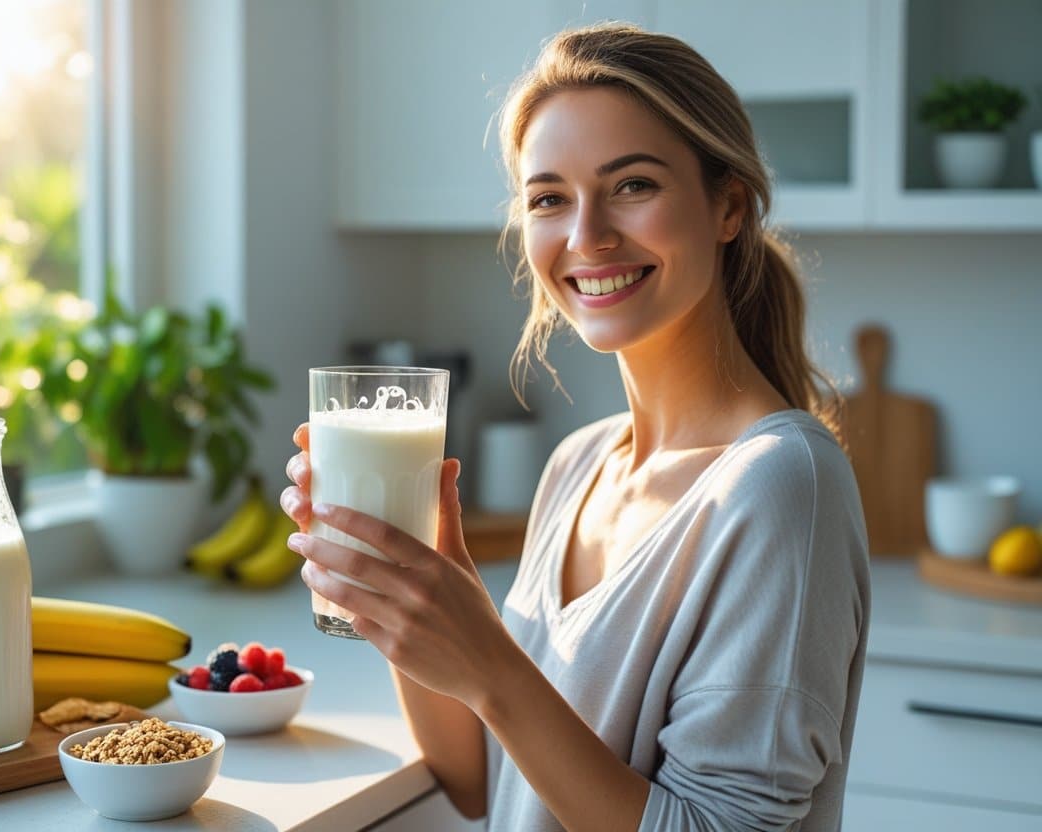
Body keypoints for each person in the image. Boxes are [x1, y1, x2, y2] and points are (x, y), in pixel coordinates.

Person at [281, 20, 869, 832]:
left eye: (632, 185)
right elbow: (480, 781)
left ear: (728, 205)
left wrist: (489, 665)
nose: (586, 235)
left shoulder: (780, 486)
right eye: (550, 198)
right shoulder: (578, 465)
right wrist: (407, 596)